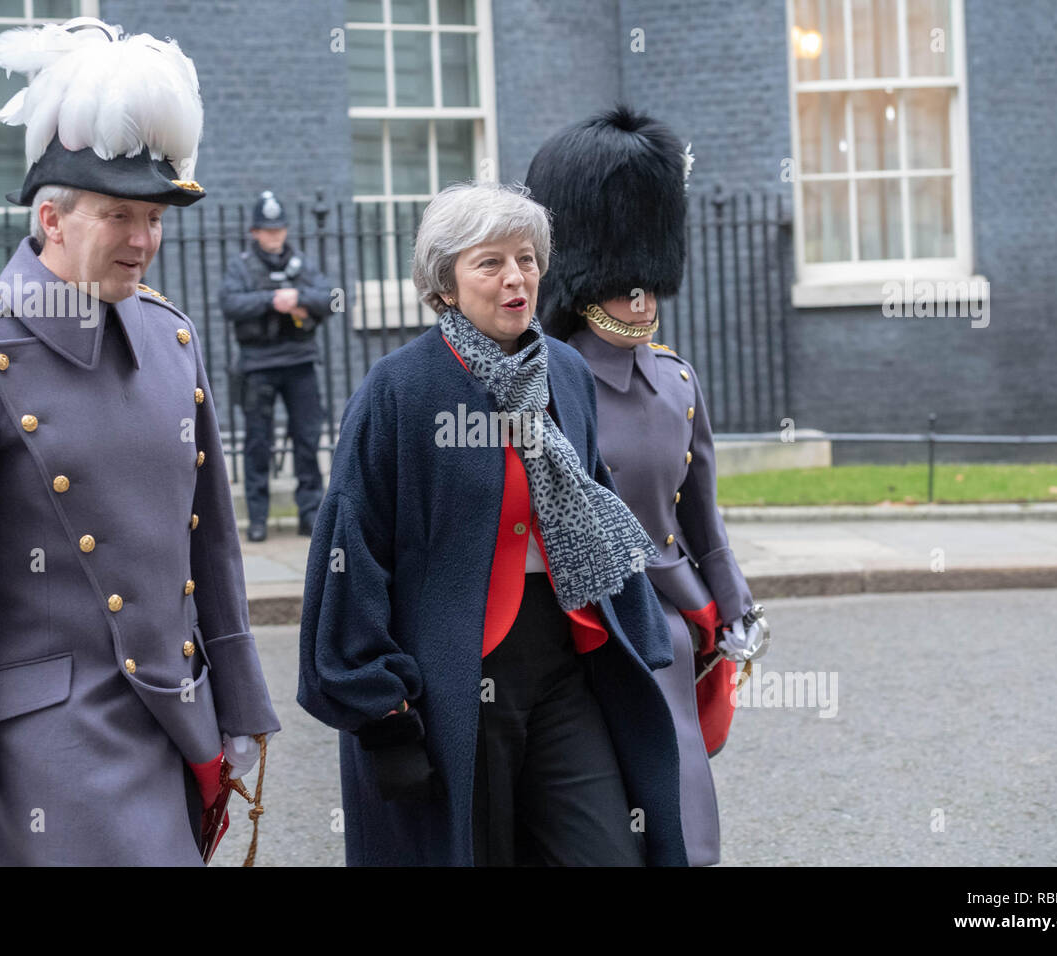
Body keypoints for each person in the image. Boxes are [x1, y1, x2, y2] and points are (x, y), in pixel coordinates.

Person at [0, 17, 278, 864]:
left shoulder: (170, 339)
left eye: (155, 216)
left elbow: (209, 548)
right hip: (52, 746)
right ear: (51, 218)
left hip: (175, 718)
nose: (143, 239)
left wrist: (238, 700)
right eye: (118, 215)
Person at [297, 180, 689, 866]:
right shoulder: (399, 389)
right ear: (443, 284)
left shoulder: (564, 370)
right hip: (456, 675)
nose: (516, 278)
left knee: (605, 851)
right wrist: (380, 711)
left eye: (527, 259)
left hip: (566, 660)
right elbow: (350, 551)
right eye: (490, 263)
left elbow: (593, 498)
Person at [525, 105, 770, 867]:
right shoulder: (541, 384)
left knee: (684, 829)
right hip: (574, 630)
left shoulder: (675, 382)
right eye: (624, 281)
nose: (639, 299)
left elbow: (701, 520)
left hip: (665, 636)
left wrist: (733, 605)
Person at [220, 191, 334, 540]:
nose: (274, 236)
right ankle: (257, 520)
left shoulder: (301, 263)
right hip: (258, 365)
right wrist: (272, 300)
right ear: (255, 232)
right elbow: (229, 304)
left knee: (307, 439)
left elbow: (331, 297)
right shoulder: (241, 266)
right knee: (257, 444)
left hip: (300, 362)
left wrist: (298, 297)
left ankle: (310, 515)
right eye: (267, 231)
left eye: (279, 230)